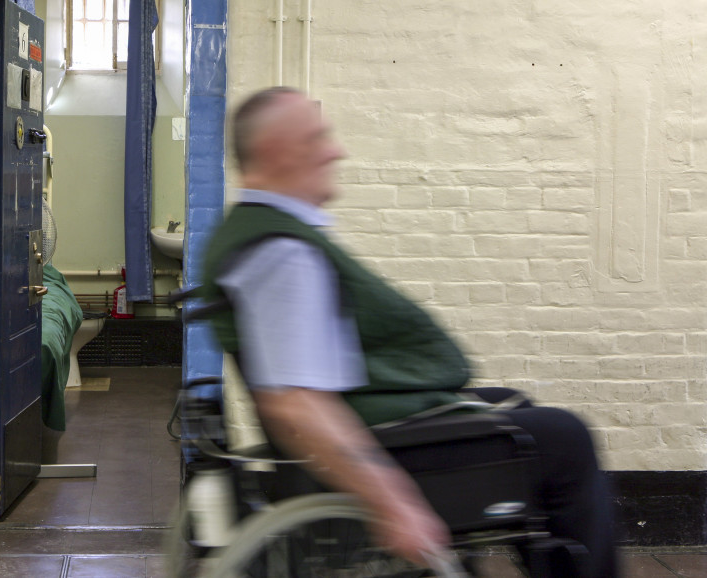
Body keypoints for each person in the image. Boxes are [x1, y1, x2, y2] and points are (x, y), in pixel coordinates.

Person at [200, 87, 618, 577]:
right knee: (564, 439)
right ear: (278, 150)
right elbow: (295, 403)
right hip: (375, 442)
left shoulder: (266, 234)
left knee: (515, 404)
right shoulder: (280, 251)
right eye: (318, 138)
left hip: (372, 421)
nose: (337, 151)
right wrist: (396, 503)